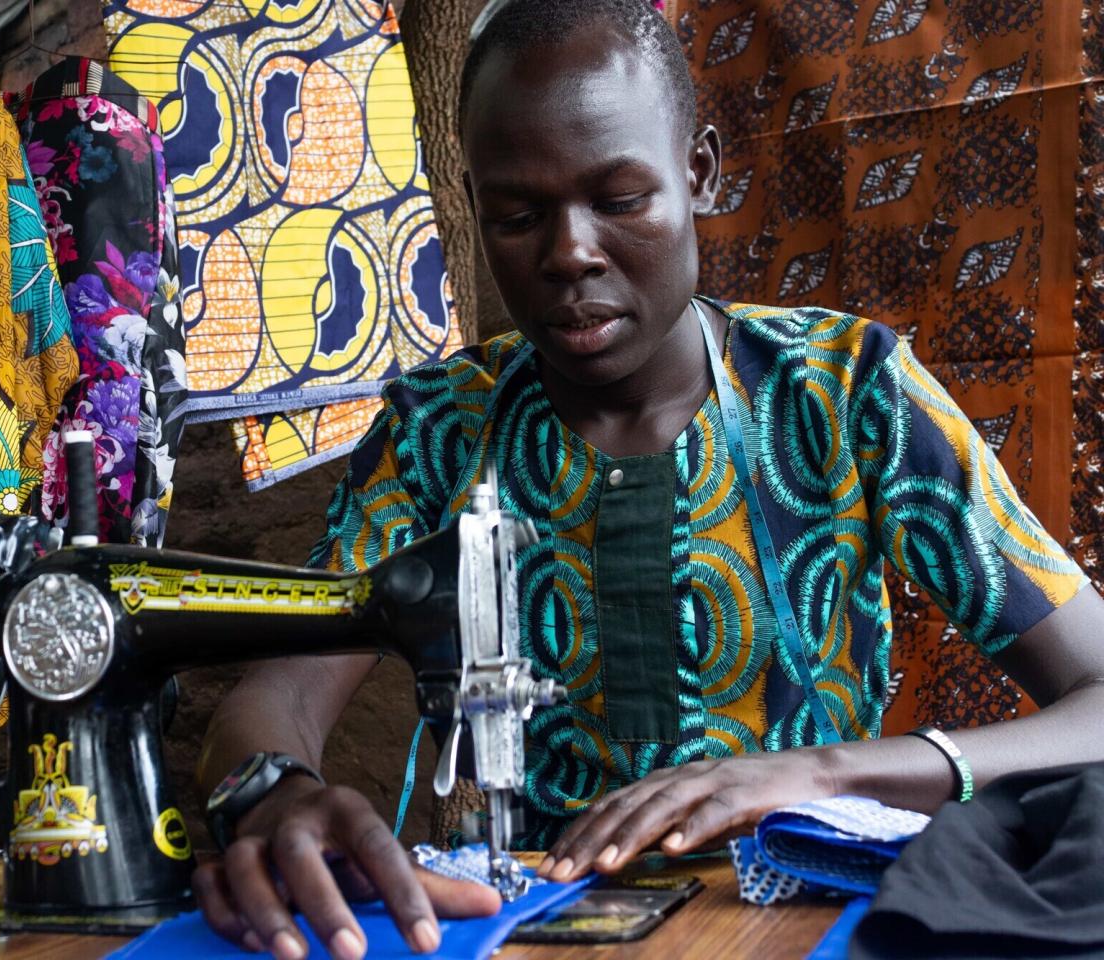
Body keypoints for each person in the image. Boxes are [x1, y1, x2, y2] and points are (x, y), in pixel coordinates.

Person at [191, 2, 1104, 958]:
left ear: (699, 172)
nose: (569, 253)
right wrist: (274, 793)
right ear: (470, 200)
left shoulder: (846, 395)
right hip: (530, 931)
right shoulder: (440, 429)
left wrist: (826, 774)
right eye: (516, 215)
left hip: (809, 929)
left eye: (620, 200)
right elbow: (278, 698)